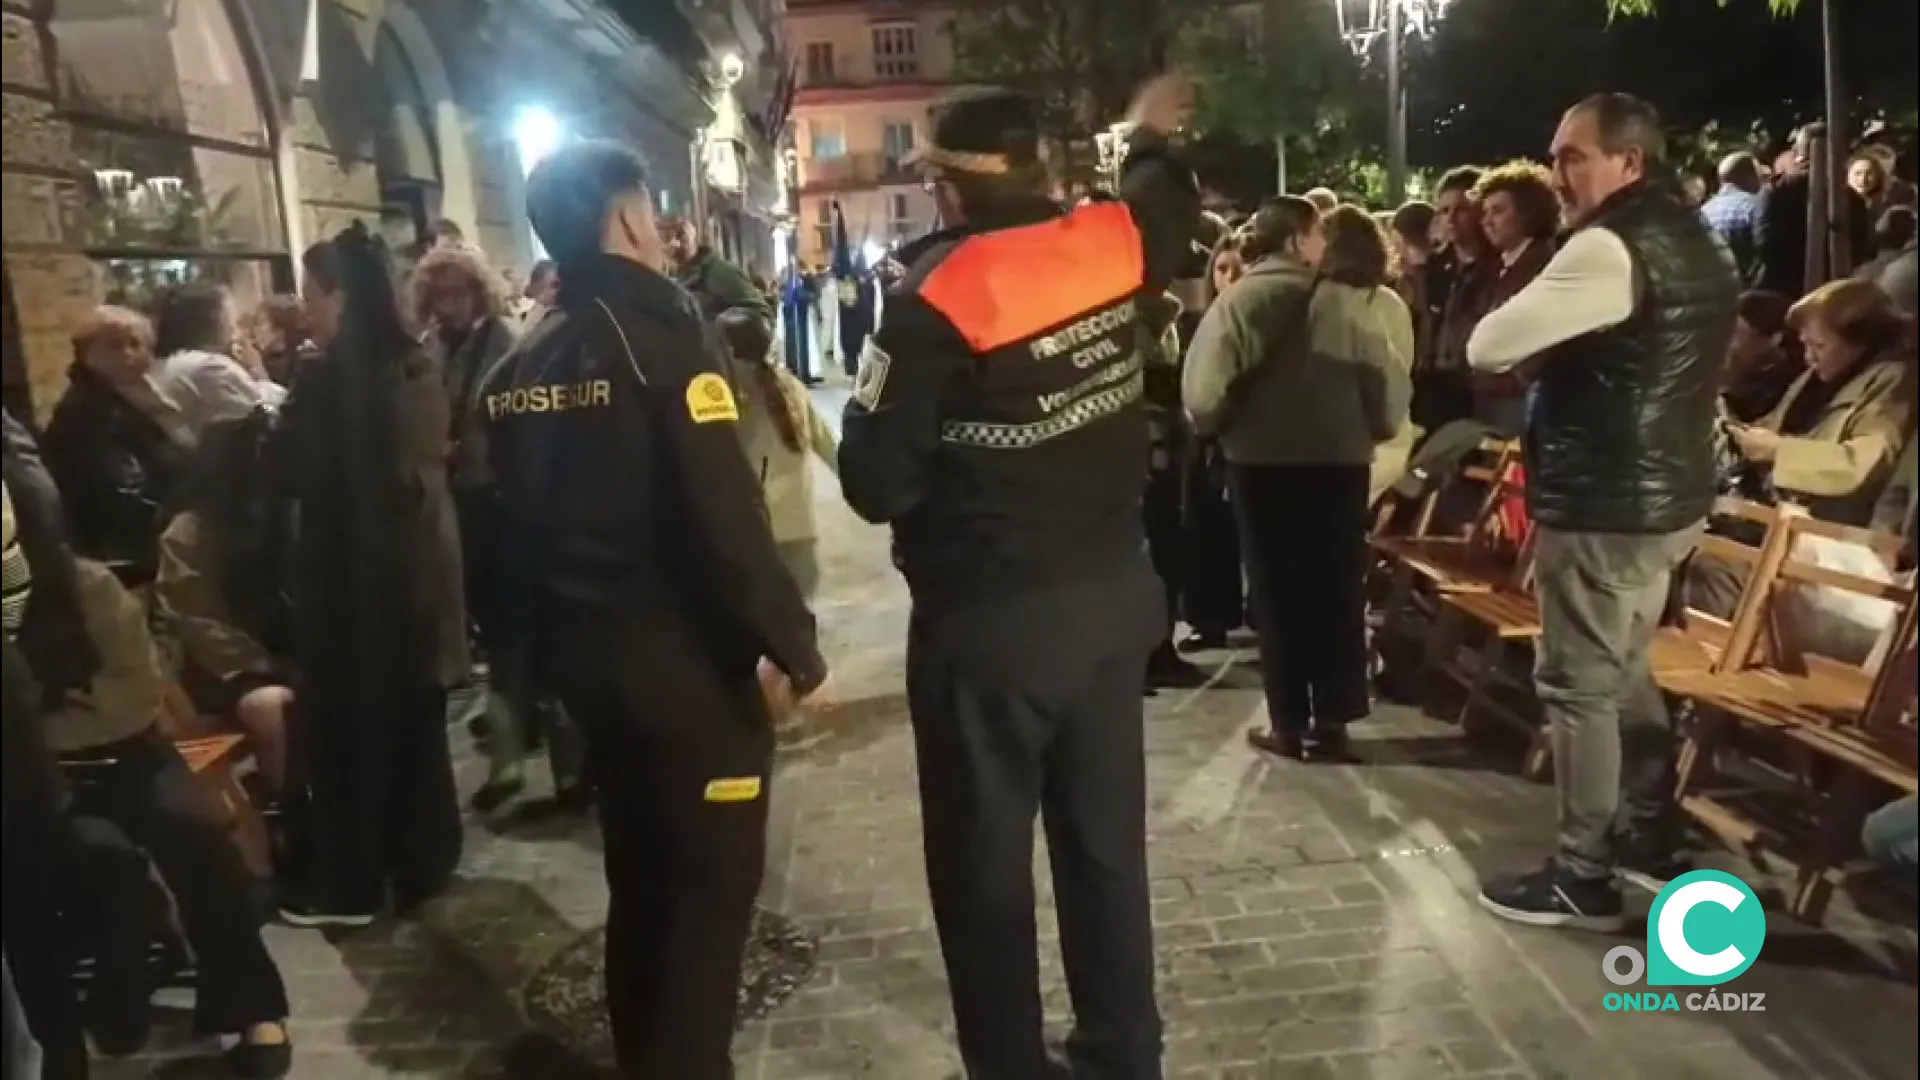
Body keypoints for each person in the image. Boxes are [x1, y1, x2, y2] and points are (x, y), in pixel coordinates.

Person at [838, 78, 1199, 1079]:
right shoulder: (1111, 242)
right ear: (1045, 169)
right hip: (1112, 603)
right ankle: (1124, 1053)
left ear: (948, 189)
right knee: (1105, 849)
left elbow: (872, 483)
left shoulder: (935, 299)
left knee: (983, 869)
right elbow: (1165, 205)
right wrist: (1148, 132)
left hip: (990, 627)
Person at [481, 140, 830, 1079]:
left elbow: (503, 537)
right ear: (630, 219)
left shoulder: (518, 365)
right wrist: (793, 647)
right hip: (689, 679)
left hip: (589, 672)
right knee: (705, 911)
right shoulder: (661, 342)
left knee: (639, 886)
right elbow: (723, 519)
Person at [1467, 94, 1739, 929]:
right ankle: (1644, 831)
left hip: (1604, 499)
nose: (1558, 173)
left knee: (1579, 683)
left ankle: (1582, 874)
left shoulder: (1605, 246)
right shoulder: (1697, 236)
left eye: (1574, 156)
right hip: (1669, 496)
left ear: (1630, 161)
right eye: (1555, 156)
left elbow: (1487, 344)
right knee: (1623, 668)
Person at [275, 225, 468, 926]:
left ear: (339, 296)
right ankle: (425, 859)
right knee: (416, 730)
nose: (305, 310)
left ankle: (353, 885)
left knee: (353, 739)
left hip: (357, 589)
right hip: (416, 580)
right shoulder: (413, 365)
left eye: (310, 294)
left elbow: (304, 476)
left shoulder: (336, 383)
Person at [47, 556, 293, 1076]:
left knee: (193, 830)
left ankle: (253, 1008)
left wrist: (52, 723)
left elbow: (136, 693)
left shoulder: (87, 584)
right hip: (40, 778)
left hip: (133, 753)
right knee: (106, 858)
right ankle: (118, 987)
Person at [1184, 200, 1412, 763]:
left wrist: (1221, 427)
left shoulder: (1239, 301)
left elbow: (1203, 394)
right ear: (1295, 240)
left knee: (1276, 590)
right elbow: (1386, 386)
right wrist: (1370, 430)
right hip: (1340, 462)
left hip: (1261, 462)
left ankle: (1287, 721)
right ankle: (1334, 719)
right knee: (1336, 588)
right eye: (1315, 235)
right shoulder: (1343, 301)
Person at [1725, 278, 1913, 527]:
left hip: (1827, 526)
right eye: (1805, 344)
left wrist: (1778, 450)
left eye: (1819, 346)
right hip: (1776, 508)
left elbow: (1863, 466)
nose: (1809, 358)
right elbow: (1775, 424)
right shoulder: (1818, 376)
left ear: (1858, 342)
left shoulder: (1894, 385)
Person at [40, 306, 190, 587]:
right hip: (126, 555)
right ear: (87, 355)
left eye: (135, 343)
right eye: (113, 345)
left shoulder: (141, 395)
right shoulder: (86, 411)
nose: (127, 353)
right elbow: (119, 493)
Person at [714, 307, 839, 599]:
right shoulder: (788, 385)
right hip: (800, 532)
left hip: (756, 537)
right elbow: (827, 445)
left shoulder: (729, 398)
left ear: (728, 351)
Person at [1177, 231, 1247, 653]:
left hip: (1247, 434)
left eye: (1238, 268)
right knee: (1206, 529)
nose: (1230, 277)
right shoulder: (1196, 323)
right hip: (1204, 439)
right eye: (1222, 269)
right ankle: (1211, 618)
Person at [151, 283, 285, 443]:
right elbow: (268, 413)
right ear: (212, 320)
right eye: (230, 317)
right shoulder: (209, 367)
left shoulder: (169, 363)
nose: (234, 327)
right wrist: (258, 372)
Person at [1700, 151, 1764, 284]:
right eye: (1761, 176)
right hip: (1746, 289)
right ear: (1750, 176)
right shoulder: (1756, 207)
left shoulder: (1703, 211)